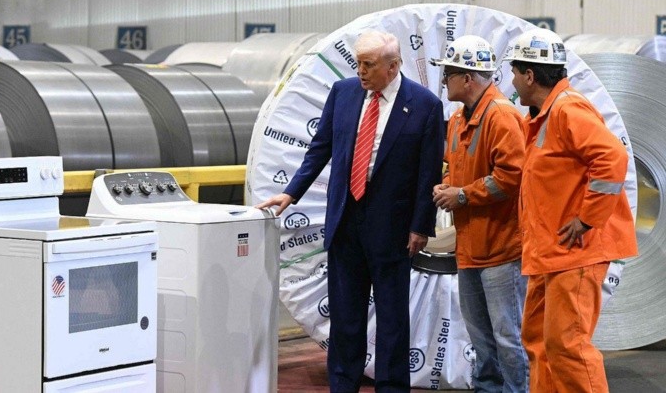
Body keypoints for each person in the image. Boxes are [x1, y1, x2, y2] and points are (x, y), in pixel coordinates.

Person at [256, 30, 444, 392]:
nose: (361, 71)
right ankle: (343, 384)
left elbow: (428, 172)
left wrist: (421, 226)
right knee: (345, 316)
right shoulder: (343, 93)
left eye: (368, 64)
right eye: (358, 63)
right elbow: (320, 148)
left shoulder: (424, 105)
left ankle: (391, 387)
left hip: (393, 229)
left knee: (392, 319)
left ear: (393, 67)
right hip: (345, 221)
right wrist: (291, 193)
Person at [505, 28, 638, 392]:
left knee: (568, 346)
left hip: (575, 253)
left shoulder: (567, 109)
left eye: (514, 72)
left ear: (529, 75)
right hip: (550, 253)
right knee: (539, 342)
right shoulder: (545, 115)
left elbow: (612, 158)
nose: (511, 81)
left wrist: (588, 218)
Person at [430, 35, 529, 392]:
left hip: (502, 249)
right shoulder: (459, 118)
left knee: (508, 337)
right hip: (471, 248)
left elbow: (511, 178)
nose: (444, 80)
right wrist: (446, 185)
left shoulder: (501, 116)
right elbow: (453, 165)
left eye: (448, 74)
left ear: (468, 78)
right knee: (481, 338)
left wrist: (461, 195)